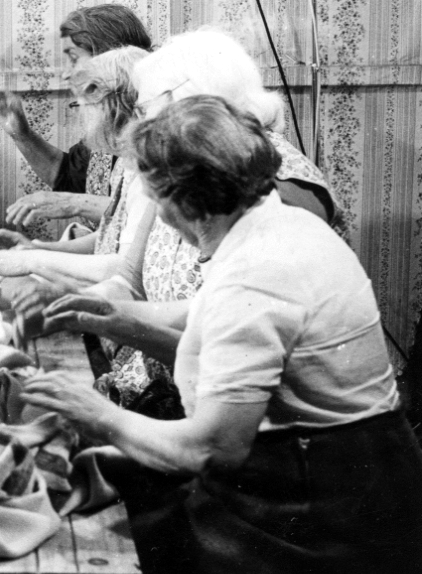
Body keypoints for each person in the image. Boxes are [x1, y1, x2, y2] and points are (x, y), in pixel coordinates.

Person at [23, 95, 422, 574]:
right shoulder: (278, 224)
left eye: (153, 197)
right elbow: (216, 317)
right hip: (348, 471)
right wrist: (110, 315)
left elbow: (211, 448)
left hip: (322, 510)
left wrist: (97, 414)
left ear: (185, 201)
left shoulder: (258, 269)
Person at [44, 29, 334, 417]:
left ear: (191, 102)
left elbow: (232, 343)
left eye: (145, 109)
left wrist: (109, 321)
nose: (138, 124)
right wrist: (81, 308)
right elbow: (132, 281)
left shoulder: (282, 187)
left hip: (266, 417)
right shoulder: (184, 168)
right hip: (174, 385)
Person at [0, 48, 150, 320]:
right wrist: (38, 248)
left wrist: (30, 258)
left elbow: (126, 268)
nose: (80, 117)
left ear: (111, 105)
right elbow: (111, 237)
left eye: (81, 105)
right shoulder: (126, 162)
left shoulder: (147, 169)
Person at [0, 4, 151, 228]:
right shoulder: (109, 114)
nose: (65, 73)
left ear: (108, 56)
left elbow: (151, 217)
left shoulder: (155, 117)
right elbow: (67, 175)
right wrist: (21, 134)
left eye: (74, 59)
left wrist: (74, 204)